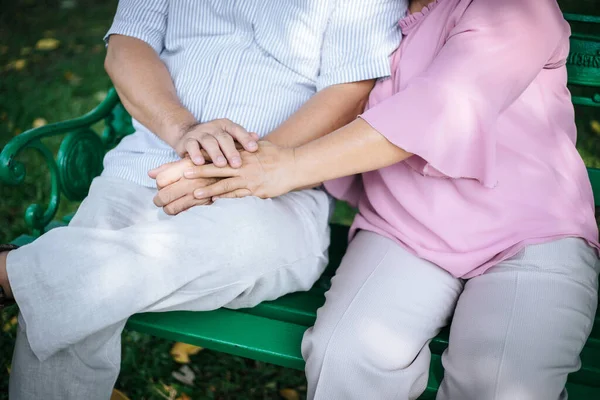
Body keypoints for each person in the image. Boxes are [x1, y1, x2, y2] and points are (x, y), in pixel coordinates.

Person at [175, 0, 600, 399]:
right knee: (346, 355)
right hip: (403, 229)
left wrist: (287, 166)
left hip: (532, 231)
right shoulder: (368, 14)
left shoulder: (517, 8)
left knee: (502, 380)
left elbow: (443, 106)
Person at [0, 1, 408, 398]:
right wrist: (184, 131)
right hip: (142, 168)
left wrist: (239, 169)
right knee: (71, 294)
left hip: (275, 196)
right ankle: (22, 276)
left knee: (73, 268)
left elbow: (348, 89)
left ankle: (10, 274)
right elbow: (126, 47)